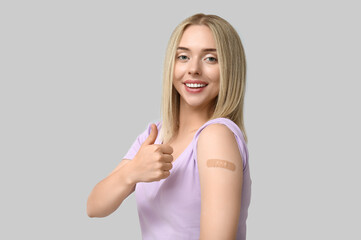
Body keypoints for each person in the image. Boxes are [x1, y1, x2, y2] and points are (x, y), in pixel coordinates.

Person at [87, 13, 251, 240]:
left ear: (230, 69)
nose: (193, 69)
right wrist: (132, 172)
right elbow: (94, 206)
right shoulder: (156, 134)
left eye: (210, 59)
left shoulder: (216, 137)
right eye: (183, 56)